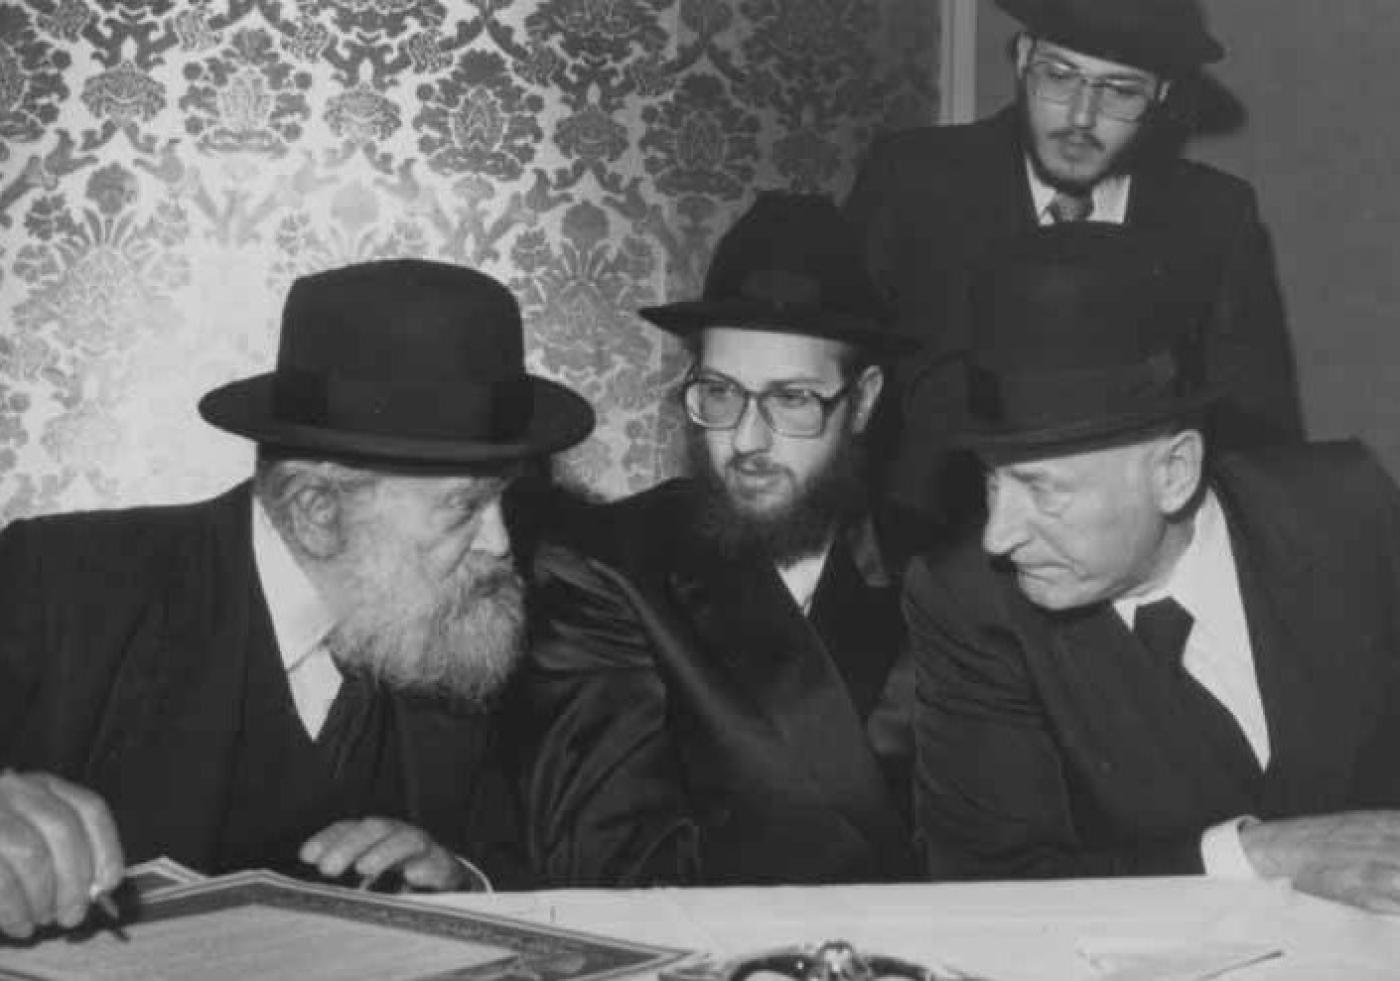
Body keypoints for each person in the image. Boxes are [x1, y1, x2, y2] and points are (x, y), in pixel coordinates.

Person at [0, 259, 594, 939]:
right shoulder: (61, 587)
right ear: (317, 510)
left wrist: (458, 883)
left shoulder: (461, 633)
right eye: (465, 506)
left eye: (504, 501)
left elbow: (522, 863)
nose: (501, 544)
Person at [907, 223, 1400, 913]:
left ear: (1174, 472)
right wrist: (1252, 857)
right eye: (991, 483)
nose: (998, 534)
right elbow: (991, 888)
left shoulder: (1351, 511)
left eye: (1042, 488)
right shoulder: (969, 601)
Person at [517, 193, 920, 886]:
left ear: (866, 399)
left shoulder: (939, 564)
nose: (745, 440)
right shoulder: (606, 567)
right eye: (720, 391)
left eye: (792, 399)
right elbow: (611, 864)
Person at [844, 0, 1303, 541]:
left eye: (1121, 90)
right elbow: (840, 387)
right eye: (1060, 76)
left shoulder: (1216, 217)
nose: (1081, 118)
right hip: (929, 557)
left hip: (1127, 563)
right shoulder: (913, 181)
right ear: (1022, 58)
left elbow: (1259, 442)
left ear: (1162, 94)